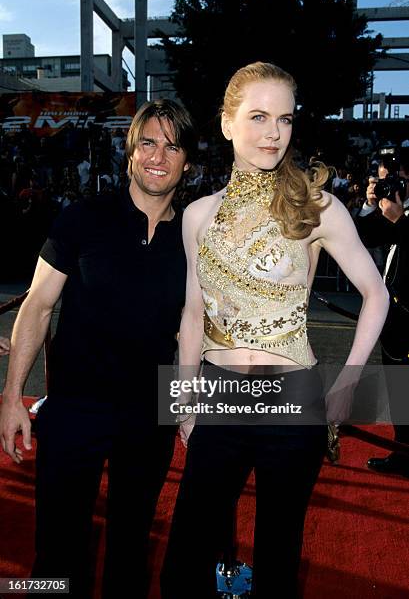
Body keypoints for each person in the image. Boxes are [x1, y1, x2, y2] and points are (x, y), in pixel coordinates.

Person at [160, 62, 389, 599]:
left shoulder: (316, 207)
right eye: (258, 116)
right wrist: (184, 400)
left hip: (294, 399)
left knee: (277, 559)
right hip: (219, 393)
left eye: (284, 119)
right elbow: (192, 317)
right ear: (226, 123)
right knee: (186, 557)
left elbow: (377, 295)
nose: (272, 133)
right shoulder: (197, 215)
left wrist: (348, 382)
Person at [0, 98, 196, 598]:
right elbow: (38, 306)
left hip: (148, 417)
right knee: (55, 553)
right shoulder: (82, 217)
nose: (158, 155)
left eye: (172, 146)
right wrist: (11, 399)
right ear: (130, 152)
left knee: (131, 551)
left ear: (187, 162)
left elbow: (196, 327)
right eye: (148, 142)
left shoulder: (196, 240)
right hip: (74, 408)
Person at [357, 153, 409, 478]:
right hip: (396, 317)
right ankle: (405, 453)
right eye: (381, 179)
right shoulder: (393, 209)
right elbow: (366, 237)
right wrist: (369, 204)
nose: (388, 185)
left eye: (393, 179)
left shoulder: (402, 215)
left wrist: (400, 221)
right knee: (399, 389)